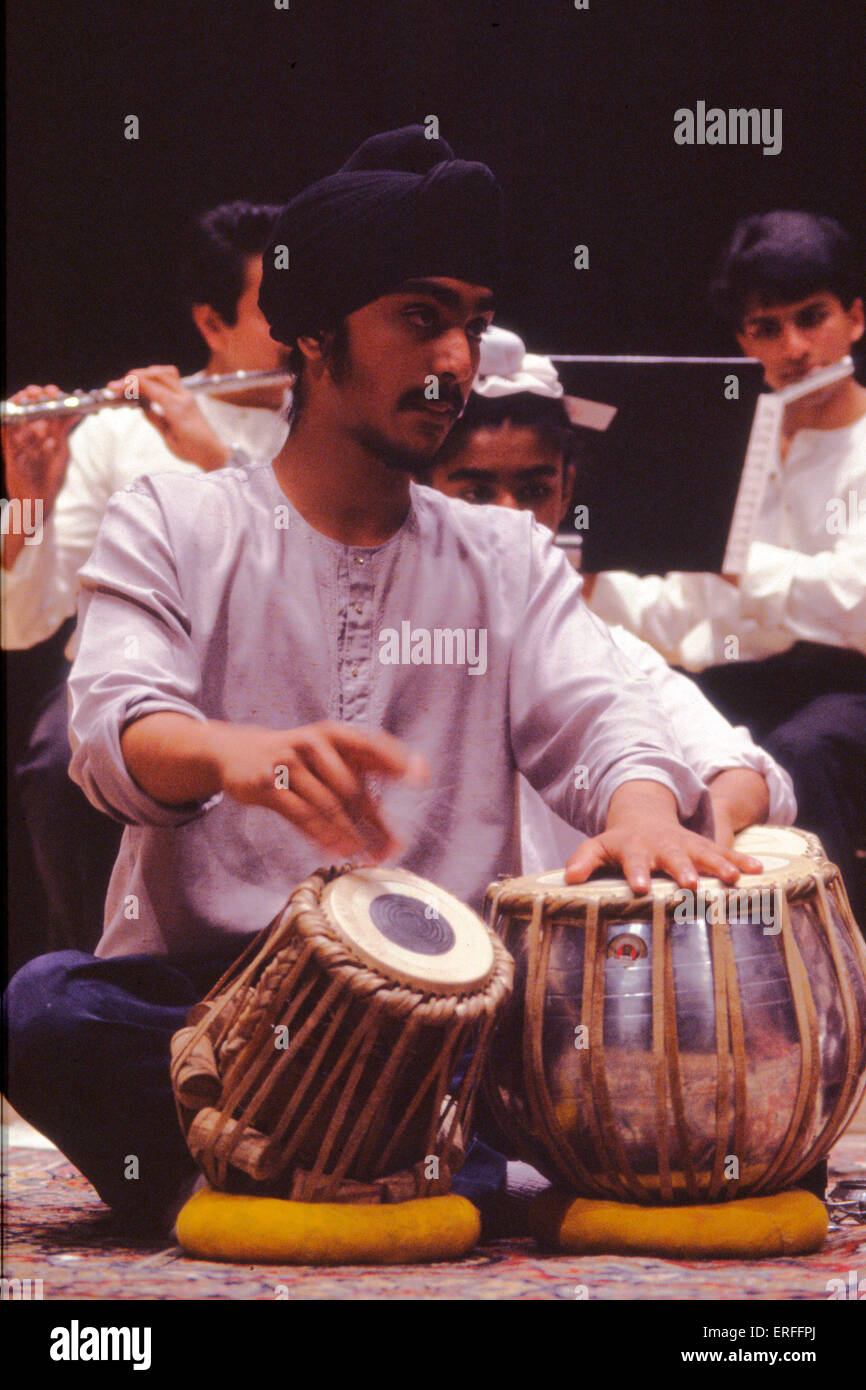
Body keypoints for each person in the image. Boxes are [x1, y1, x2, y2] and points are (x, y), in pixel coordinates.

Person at [4, 126, 759, 1230]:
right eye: (420, 318)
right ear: (311, 334)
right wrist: (232, 752)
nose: (456, 358)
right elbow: (113, 728)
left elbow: (596, 720)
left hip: (446, 1022)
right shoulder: (174, 516)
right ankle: (415, 1181)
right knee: (47, 1009)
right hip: (222, 1006)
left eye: (473, 321)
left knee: (621, 1027)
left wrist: (643, 808)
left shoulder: (501, 556)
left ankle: (274, 1182)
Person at [1, 201, 292, 954]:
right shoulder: (119, 432)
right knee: (58, 762)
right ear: (212, 324)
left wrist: (217, 464)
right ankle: (86, 988)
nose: (300, 328)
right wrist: (23, 504)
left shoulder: (328, 433)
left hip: (283, 686)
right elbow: (19, 623)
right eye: (275, 308)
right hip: (121, 688)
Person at [429, 325, 797, 870]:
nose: (509, 517)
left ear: (567, 491)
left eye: (534, 490)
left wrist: (688, 831)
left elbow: (750, 772)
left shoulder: (605, 646)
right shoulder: (397, 638)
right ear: (422, 491)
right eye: (476, 491)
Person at [583, 213, 866, 922]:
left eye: (813, 318)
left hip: (848, 690)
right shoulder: (732, 443)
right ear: (742, 341)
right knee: (638, 736)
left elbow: (855, 603)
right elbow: (691, 620)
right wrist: (589, 585)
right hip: (744, 682)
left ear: (855, 319)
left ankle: (823, 974)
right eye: (766, 329)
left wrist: (729, 551)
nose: (795, 349)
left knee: (803, 747)